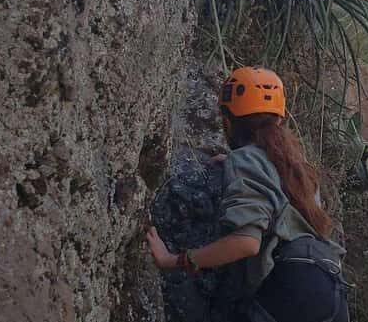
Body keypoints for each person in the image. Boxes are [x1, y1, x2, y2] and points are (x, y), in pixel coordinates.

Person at [146, 67, 349, 322]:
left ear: (228, 122)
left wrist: (175, 260)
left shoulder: (245, 161)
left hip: (292, 290)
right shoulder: (297, 167)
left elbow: (246, 242)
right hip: (330, 287)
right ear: (279, 120)